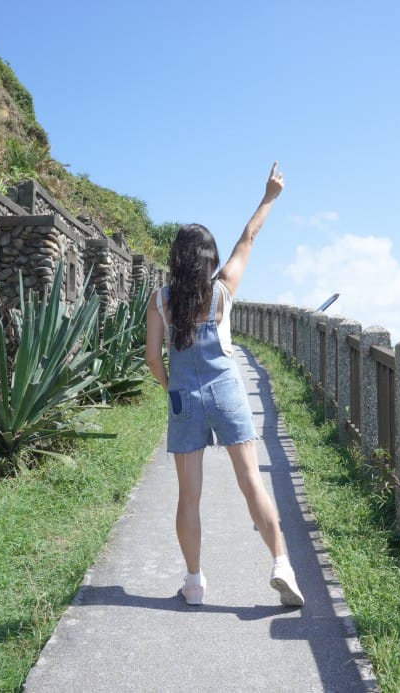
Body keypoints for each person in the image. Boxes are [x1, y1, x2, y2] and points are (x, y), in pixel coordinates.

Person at [145, 162, 304, 607]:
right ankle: (281, 565)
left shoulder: (160, 300)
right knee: (251, 481)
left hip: (184, 397)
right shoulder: (222, 290)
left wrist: (170, 389)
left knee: (189, 495)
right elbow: (247, 238)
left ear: (176, 258)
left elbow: (152, 358)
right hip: (227, 390)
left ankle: (194, 582)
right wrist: (269, 196)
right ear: (210, 259)